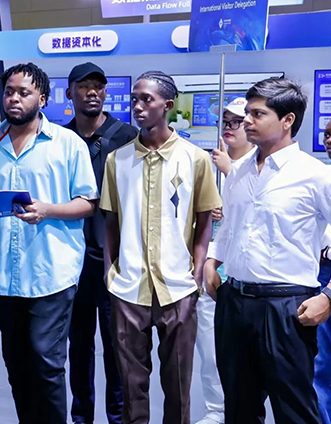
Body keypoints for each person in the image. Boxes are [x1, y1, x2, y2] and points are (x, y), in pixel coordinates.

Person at [0, 63, 99, 424]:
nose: (14, 98)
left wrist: (47, 210)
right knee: (16, 365)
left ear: (42, 99)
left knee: (46, 363)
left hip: (51, 272)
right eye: (9, 91)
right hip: (3, 272)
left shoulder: (67, 144)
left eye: (24, 92)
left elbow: (88, 203)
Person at [206, 77, 331, 424]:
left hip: (287, 309)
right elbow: (230, 225)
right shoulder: (238, 171)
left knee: (295, 411)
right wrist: (212, 261)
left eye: (257, 114)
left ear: (287, 120)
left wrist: (329, 296)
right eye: (247, 113)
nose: (246, 121)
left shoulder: (315, 175)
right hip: (234, 304)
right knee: (239, 409)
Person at [101, 71, 221, 424]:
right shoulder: (117, 160)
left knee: (178, 385)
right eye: (134, 99)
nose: (137, 106)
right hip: (128, 288)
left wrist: (195, 275)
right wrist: (111, 273)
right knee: (131, 386)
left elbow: (204, 221)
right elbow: (111, 222)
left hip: (178, 288)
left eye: (146, 99)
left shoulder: (195, 159)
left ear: (167, 105)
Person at [64, 63, 137, 424]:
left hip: (116, 258)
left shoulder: (127, 137)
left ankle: (118, 417)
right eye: (84, 86)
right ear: (69, 93)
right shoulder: (60, 139)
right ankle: (81, 416)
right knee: (78, 346)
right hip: (72, 258)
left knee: (117, 344)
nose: (92, 92)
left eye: (99, 86)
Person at [197, 97, 256, 424]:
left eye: (238, 122)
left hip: (248, 276)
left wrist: (229, 172)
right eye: (226, 122)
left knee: (247, 359)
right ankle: (215, 411)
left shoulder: (255, 165)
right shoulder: (208, 164)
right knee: (209, 350)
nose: (230, 127)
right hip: (211, 269)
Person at [316, 120, 331, 424]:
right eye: (328, 135)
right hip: (322, 271)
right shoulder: (320, 177)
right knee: (319, 364)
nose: (329, 141)